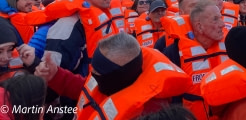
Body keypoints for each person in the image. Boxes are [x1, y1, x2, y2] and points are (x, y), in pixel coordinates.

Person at [35, 33, 191, 120]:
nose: (94, 77)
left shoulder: (151, 113)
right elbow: (88, 89)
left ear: (120, 76)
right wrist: (56, 75)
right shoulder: (108, 80)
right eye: (92, 72)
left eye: (98, 74)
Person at [163, 0, 227, 120]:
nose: (222, 24)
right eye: (215, 19)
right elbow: (170, 99)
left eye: (221, 18)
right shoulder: (174, 53)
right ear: (199, 26)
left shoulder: (230, 47)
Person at [0, 17, 39, 81]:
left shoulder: (22, 59)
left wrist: (33, 64)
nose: (6, 57)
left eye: (10, 49)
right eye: (0, 51)